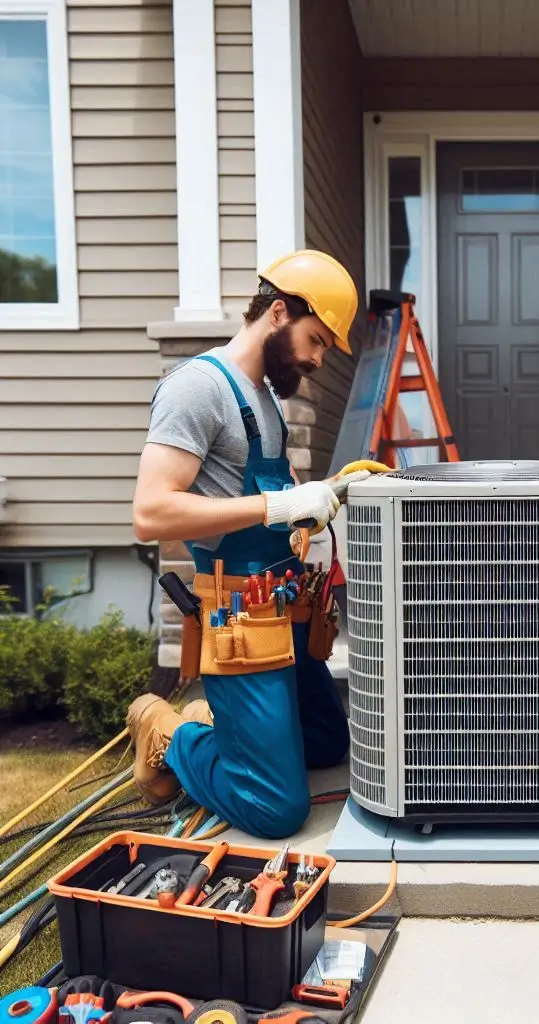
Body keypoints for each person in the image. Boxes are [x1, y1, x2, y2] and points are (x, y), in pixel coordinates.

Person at [129, 249, 377, 839]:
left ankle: (226, 727)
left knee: (327, 745)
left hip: (285, 604)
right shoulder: (197, 388)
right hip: (240, 620)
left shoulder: (264, 399)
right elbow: (150, 512)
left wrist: (321, 500)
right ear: (279, 312)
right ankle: (172, 732)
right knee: (276, 809)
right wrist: (280, 504)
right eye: (315, 340)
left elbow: (270, 500)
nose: (318, 359)